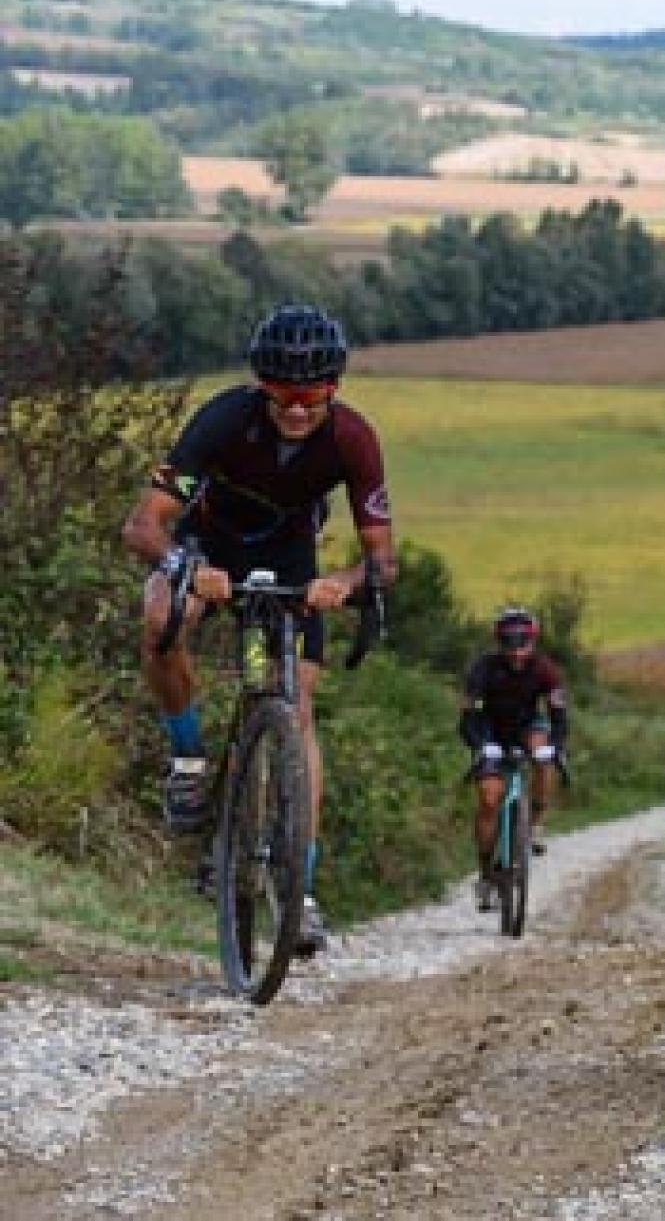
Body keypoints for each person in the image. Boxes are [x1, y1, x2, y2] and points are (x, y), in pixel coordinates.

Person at [122, 303, 396, 957]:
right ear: (260, 384)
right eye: (281, 391)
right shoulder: (223, 420)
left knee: (297, 710)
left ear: (334, 386)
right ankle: (187, 757)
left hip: (294, 562)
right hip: (207, 546)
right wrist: (184, 563)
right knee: (162, 613)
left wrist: (347, 584)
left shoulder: (353, 439)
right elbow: (144, 524)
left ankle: (298, 891)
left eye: (312, 393)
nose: (297, 408)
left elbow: (381, 555)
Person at [459, 606, 569, 911]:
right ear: (499, 643)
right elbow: (468, 717)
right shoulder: (483, 669)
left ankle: (535, 822)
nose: (517, 652)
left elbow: (559, 715)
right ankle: (485, 873)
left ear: (533, 642)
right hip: (490, 730)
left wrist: (556, 747)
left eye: (523, 643)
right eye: (509, 643)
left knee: (543, 752)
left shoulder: (546, 669)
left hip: (526, 726)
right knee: (489, 798)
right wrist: (481, 746)